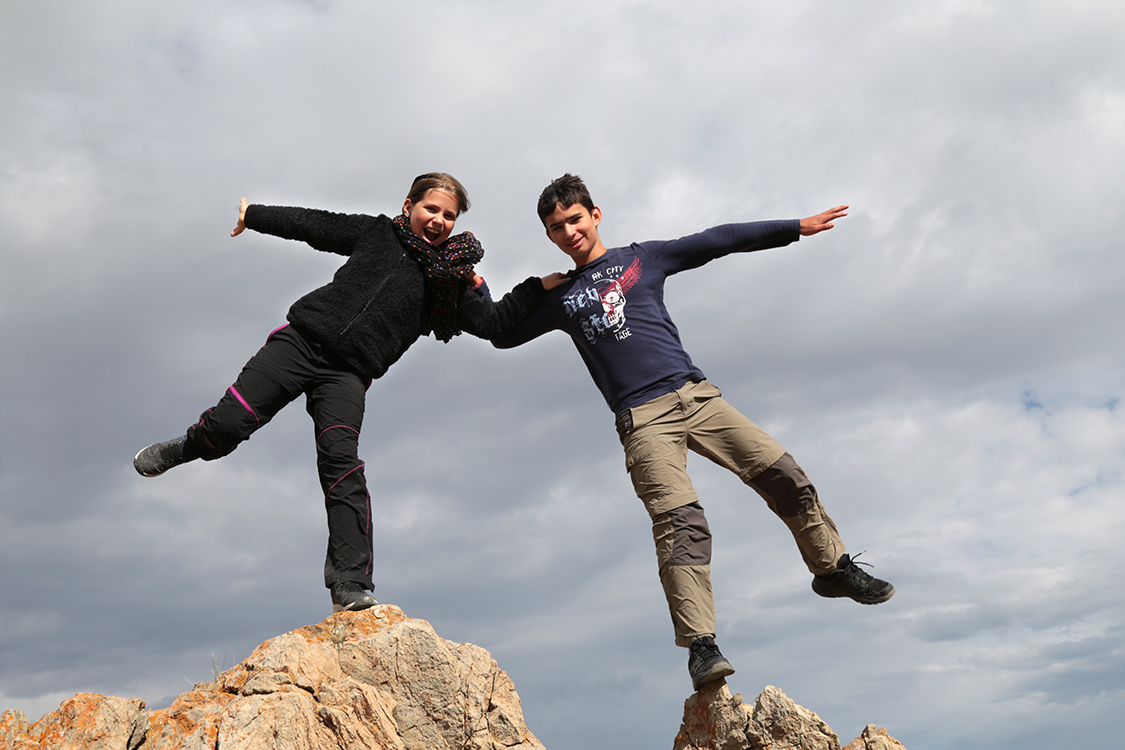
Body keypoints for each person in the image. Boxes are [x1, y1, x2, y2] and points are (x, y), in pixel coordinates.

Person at [492, 174, 894, 692]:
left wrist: (795, 227)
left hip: (697, 397)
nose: (568, 231)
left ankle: (831, 568)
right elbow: (500, 333)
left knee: (784, 474)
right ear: (549, 236)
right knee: (681, 524)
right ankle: (702, 645)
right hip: (643, 419)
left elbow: (717, 240)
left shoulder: (643, 259)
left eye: (574, 219)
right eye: (555, 227)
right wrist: (518, 288)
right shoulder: (559, 295)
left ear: (595, 215)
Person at [134, 172, 555, 614]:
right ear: (409, 204)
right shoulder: (377, 233)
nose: (438, 221)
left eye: (449, 216)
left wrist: (535, 288)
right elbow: (317, 225)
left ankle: (351, 584)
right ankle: (187, 446)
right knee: (228, 425)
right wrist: (254, 215)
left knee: (342, 465)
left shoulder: (450, 282)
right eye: (431, 209)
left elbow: (492, 323)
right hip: (300, 343)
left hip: (348, 375)